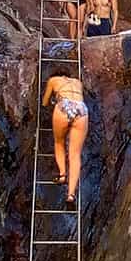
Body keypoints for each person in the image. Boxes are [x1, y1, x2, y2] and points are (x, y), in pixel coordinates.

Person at [42, 71, 89, 204]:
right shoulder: (78, 83)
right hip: (81, 109)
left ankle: (62, 175)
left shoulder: (53, 79)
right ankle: (71, 195)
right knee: (75, 154)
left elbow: (45, 102)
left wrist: (50, 102)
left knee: (59, 142)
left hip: (65, 105)